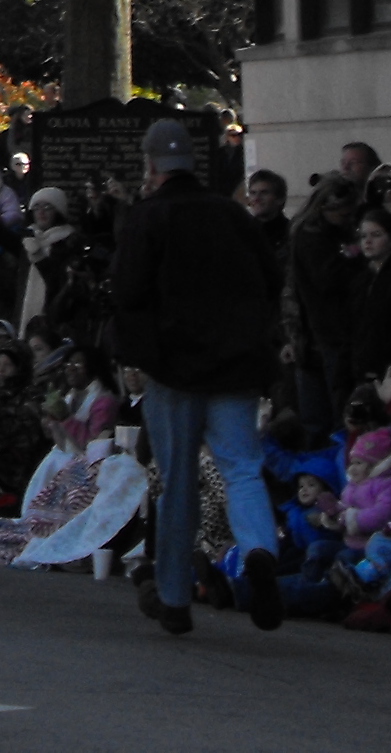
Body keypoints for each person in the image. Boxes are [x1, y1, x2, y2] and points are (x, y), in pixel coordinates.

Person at [110, 117, 287, 636]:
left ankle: (173, 597)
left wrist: (135, 355)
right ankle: (259, 551)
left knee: (178, 482)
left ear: (151, 166)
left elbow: (128, 293)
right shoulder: (233, 215)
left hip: (174, 370)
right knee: (241, 470)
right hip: (236, 367)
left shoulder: (148, 218)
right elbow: (272, 278)